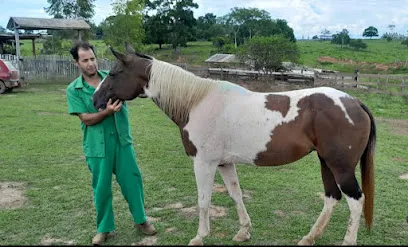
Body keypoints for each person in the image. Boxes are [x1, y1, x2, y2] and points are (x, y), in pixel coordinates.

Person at [66, 40, 156, 245]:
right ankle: (104, 229)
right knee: (102, 188)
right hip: (97, 147)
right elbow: (86, 119)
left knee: (133, 181)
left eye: (93, 58)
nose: (91, 64)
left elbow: (135, 88)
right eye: (85, 60)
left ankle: (141, 220)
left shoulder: (112, 78)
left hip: (122, 142)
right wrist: (107, 112)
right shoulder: (74, 90)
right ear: (76, 63)